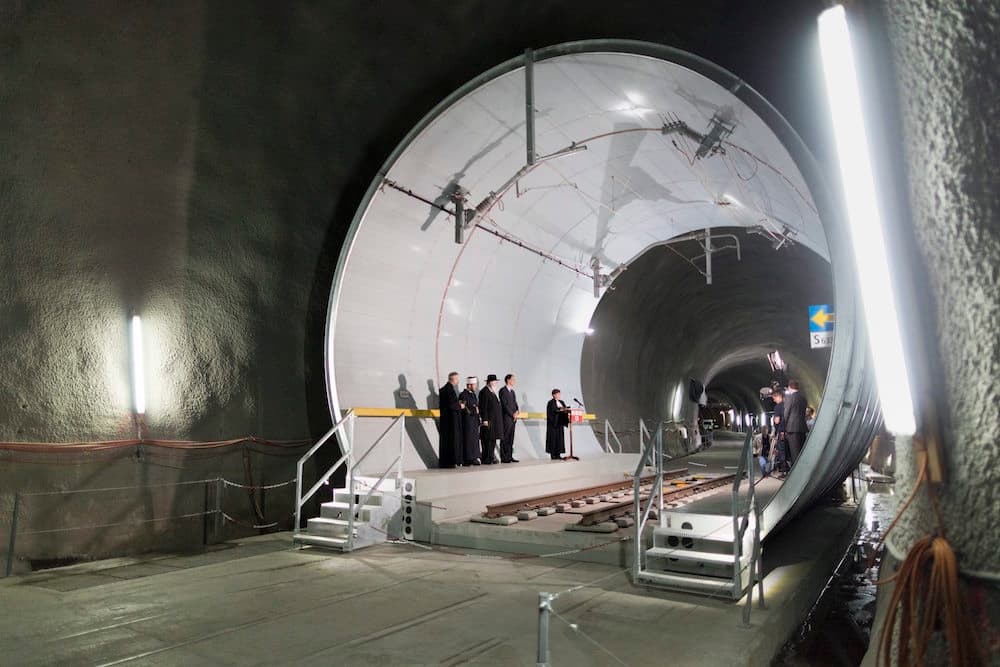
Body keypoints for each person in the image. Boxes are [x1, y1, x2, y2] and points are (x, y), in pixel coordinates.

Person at [437, 372, 464, 468]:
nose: (458, 381)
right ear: (454, 379)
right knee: (452, 441)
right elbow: (451, 405)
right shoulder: (449, 390)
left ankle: (446, 461)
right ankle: (451, 461)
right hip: (451, 421)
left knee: (446, 442)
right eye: (457, 379)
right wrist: (460, 406)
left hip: (445, 420)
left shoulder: (444, 389)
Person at [783, 380, 808, 468]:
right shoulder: (803, 398)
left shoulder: (789, 398)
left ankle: (797, 471)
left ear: (789, 387)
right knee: (802, 452)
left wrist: (783, 427)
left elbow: (786, 413)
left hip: (792, 429)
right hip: (802, 428)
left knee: (795, 453)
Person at [478, 374, 503, 464]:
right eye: (494, 382)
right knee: (487, 440)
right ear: (490, 382)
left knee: (492, 439)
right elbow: (483, 407)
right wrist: (484, 419)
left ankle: (491, 457)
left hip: (494, 420)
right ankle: (486, 458)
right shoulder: (484, 392)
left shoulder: (492, 392)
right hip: (488, 420)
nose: (496, 383)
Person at [459, 377, 482, 466]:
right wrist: (474, 410)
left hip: (474, 421)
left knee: (474, 440)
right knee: (468, 440)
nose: (475, 386)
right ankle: (467, 458)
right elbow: (464, 408)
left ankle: (474, 457)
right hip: (468, 421)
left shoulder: (473, 395)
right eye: (474, 385)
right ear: (469, 385)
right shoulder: (463, 395)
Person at [498, 374, 520, 463]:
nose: (514, 381)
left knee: (511, 438)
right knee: (505, 437)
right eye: (513, 379)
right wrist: (512, 414)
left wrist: (517, 411)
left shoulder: (512, 392)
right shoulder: (503, 391)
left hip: (513, 419)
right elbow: (505, 405)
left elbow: (515, 403)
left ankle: (510, 456)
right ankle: (504, 457)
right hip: (506, 418)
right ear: (508, 380)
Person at [545, 388, 570, 460]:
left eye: (559, 394)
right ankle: (553, 455)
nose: (559, 395)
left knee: (559, 439)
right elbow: (549, 413)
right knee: (553, 439)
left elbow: (565, 410)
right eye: (558, 394)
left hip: (560, 423)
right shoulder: (550, 403)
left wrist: (566, 410)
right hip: (553, 424)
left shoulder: (562, 402)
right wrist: (558, 410)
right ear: (554, 395)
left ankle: (558, 454)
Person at [771, 389, 787, 477]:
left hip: (781, 432)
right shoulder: (787, 405)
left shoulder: (777, 407)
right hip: (789, 431)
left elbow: (777, 421)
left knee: (781, 451)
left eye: (774, 398)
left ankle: (783, 470)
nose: (774, 400)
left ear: (778, 396)